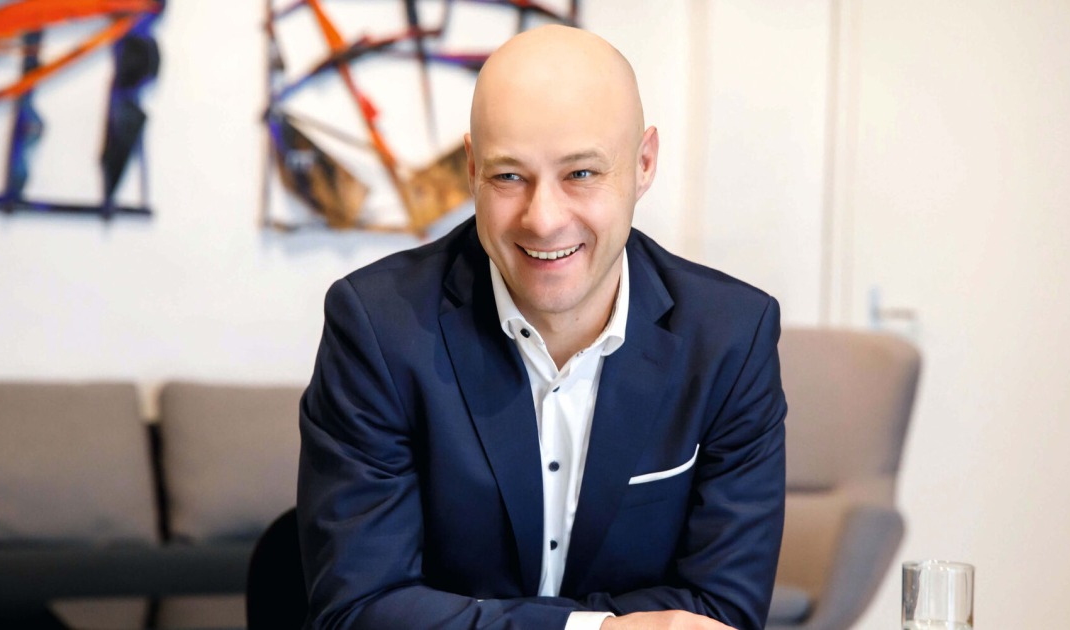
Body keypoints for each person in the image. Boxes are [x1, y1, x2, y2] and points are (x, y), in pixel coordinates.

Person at [298, 24, 787, 630]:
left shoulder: (731, 338)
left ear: (643, 164)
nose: (544, 219)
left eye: (581, 174)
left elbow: (724, 611)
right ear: (471, 169)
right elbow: (360, 608)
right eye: (509, 176)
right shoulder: (378, 328)